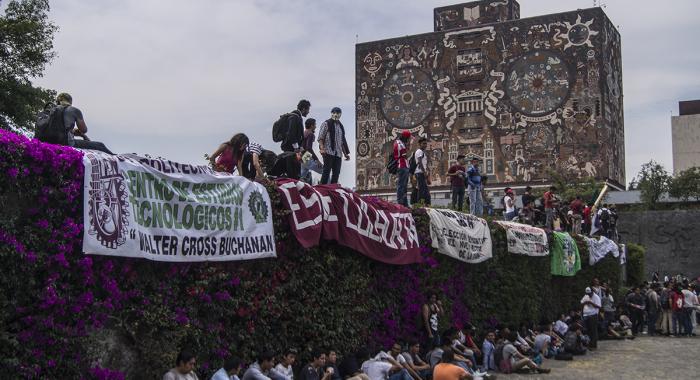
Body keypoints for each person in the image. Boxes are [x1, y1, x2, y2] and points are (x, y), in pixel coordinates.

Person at [45, 92, 114, 154]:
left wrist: (70, 131)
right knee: (100, 145)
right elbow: (84, 130)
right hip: (67, 143)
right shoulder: (74, 110)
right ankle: (117, 158)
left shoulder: (50, 111)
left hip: (48, 142)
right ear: (70, 101)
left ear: (58, 101)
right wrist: (81, 134)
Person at [317, 107, 350, 184]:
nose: (336, 114)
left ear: (340, 114)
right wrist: (322, 149)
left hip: (338, 153)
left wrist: (346, 154)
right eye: (334, 112)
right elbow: (320, 138)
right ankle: (323, 188)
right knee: (326, 171)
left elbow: (341, 142)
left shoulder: (340, 126)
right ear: (331, 113)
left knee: (336, 173)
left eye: (338, 113)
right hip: (328, 151)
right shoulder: (326, 124)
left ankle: (333, 189)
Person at [280, 99, 311, 180]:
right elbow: (291, 133)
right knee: (293, 173)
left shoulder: (296, 116)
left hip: (295, 150)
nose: (308, 112)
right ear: (304, 109)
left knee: (297, 171)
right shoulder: (294, 117)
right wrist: (297, 147)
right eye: (308, 109)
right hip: (292, 150)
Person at [300, 119, 323, 184]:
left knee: (302, 176)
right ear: (311, 125)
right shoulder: (310, 134)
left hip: (302, 157)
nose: (315, 126)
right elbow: (309, 148)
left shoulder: (304, 132)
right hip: (307, 156)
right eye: (315, 124)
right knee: (325, 171)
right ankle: (329, 188)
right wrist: (317, 160)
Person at [394, 131, 412, 207]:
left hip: (404, 166)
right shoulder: (400, 144)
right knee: (402, 185)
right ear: (405, 137)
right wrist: (409, 148)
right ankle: (401, 203)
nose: (408, 140)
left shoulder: (399, 143)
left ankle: (404, 203)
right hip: (402, 165)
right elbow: (405, 155)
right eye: (408, 138)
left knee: (404, 186)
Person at [414, 137, 431, 205]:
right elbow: (420, 162)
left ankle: (427, 204)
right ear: (419, 144)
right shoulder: (419, 151)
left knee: (425, 191)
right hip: (420, 173)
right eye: (423, 143)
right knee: (422, 190)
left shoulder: (422, 152)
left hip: (422, 173)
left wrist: (427, 174)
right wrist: (424, 173)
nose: (425, 145)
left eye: (426, 144)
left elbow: (424, 164)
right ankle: (419, 205)